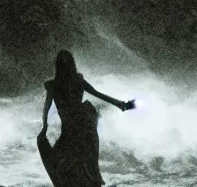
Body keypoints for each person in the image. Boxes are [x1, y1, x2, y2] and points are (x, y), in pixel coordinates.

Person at [37, 49, 135, 187]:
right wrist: (120, 104)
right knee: (83, 154)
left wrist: (45, 126)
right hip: (83, 119)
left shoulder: (54, 85)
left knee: (71, 152)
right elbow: (97, 94)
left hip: (77, 122)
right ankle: (88, 181)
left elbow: (46, 108)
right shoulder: (74, 81)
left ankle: (83, 181)